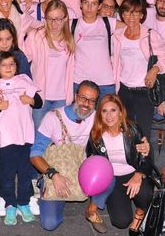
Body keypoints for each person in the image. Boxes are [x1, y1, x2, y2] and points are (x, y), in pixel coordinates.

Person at [30, 81, 106, 232]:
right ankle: (44, 183)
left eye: (92, 101)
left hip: (82, 168)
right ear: (75, 97)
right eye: (83, 98)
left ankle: (92, 209)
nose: (86, 104)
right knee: (49, 223)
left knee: (108, 168)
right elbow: (34, 154)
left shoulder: (96, 117)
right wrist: (53, 175)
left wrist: (140, 142)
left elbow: (120, 128)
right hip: (56, 170)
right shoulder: (53, 117)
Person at [86, 94, 155, 233]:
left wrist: (139, 174)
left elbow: (146, 159)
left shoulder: (133, 130)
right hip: (111, 179)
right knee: (121, 222)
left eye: (113, 110)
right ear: (100, 114)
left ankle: (140, 214)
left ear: (121, 112)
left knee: (146, 195)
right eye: (104, 111)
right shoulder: (96, 135)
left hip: (133, 173)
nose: (109, 116)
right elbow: (91, 163)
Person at [0, 50, 40, 225]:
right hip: (6, 139)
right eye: (3, 65)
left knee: (24, 174)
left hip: (26, 136)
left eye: (11, 64)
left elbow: (39, 101)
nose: (8, 67)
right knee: (7, 174)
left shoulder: (24, 80)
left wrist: (30, 101)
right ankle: (10, 205)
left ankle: (23, 203)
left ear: (17, 66)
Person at [112, 0, 165, 139]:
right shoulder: (117, 36)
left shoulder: (150, 35)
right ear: (122, 14)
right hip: (124, 91)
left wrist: (155, 69)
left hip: (144, 92)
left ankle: (145, 161)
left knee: (143, 136)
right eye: (128, 12)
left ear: (142, 15)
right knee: (125, 134)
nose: (131, 17)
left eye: (136, 13)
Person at [23, 0, 75, 131]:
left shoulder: (70, 40)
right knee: (39, 138)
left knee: (59, 139)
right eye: (50, 19)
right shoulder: (36, 36)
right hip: (41, 97)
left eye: (58, 19)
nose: (54, 23)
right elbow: (22, 61)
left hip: (62, 98)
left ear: (65, 19)